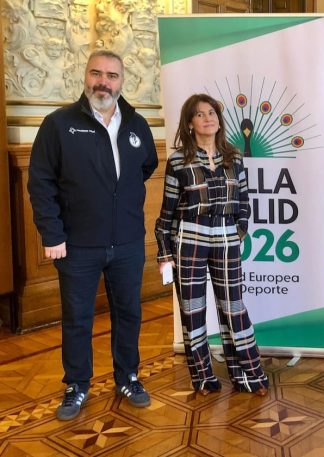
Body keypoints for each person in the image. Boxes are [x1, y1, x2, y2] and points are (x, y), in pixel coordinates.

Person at [27, 50, 158, 420]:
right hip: (76, 244)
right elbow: (40, 182)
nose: (104, 82)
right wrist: (52, 234)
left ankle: (128, 376)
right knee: (78, 318)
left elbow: (146, 166)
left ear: (121, 81)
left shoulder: (137, 125)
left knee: (129, 313)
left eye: (112, 76)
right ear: (85, 76)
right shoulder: (59, 124)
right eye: (96, 73)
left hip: (128, 242)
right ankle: (77, 384)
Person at [155, 93, 269, 397]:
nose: (208, 118)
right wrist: (165, 251)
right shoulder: (178, 161)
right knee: (192, 310)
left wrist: (239, 230)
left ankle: (249, 375)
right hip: (190, 237)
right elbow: (168, 211)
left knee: (234, 307)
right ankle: (203, 378)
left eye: (212, 113)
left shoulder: (234, 157)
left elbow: (244, 200)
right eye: (200, 114)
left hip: (226, 235)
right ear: (189, 123)